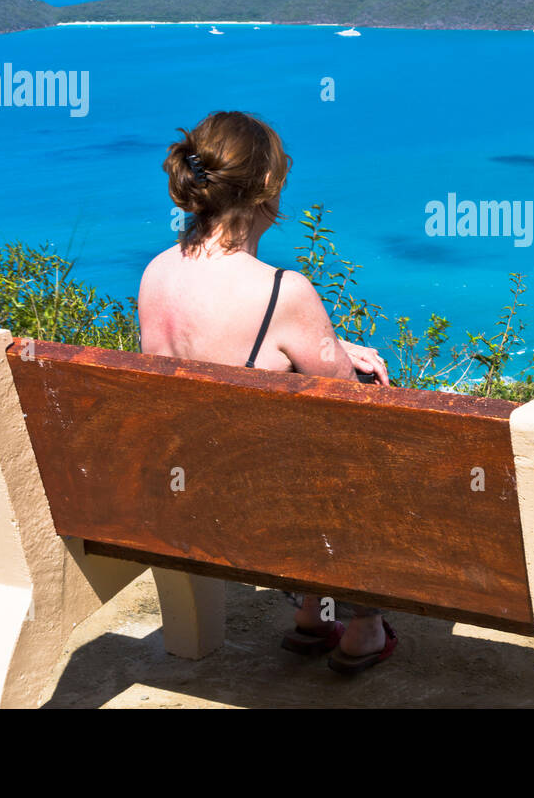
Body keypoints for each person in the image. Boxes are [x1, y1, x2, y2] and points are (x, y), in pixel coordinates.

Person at [137, 110, 396, 675]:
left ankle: (312, 614)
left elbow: (212, 354)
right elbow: (346, 405)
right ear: (269, 190)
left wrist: (326, 346)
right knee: (359, 448)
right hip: (261, 509)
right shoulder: (284, 290)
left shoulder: (155, 273)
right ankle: (363, 626)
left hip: (185, 490)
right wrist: (340, 357)